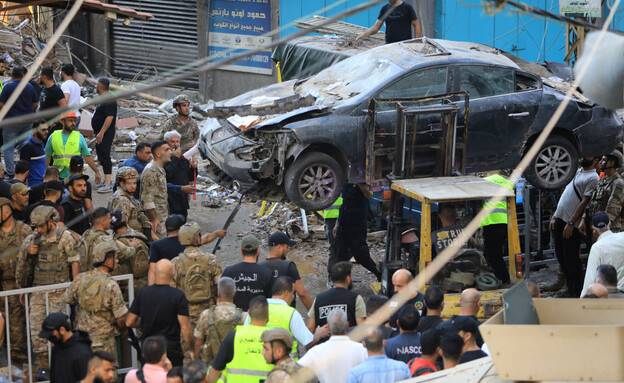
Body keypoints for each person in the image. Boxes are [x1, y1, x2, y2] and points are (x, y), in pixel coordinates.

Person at [17, 205, 81, 372]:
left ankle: (63, 366)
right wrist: (28, 251)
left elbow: (75, 262)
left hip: (59, 290)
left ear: (50, 222)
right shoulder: (34, 238)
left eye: (41, 226)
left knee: (59, 330)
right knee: (36, 330)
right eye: (36, 226)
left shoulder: (64, 237)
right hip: (38, 290)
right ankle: (44, 366)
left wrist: (74, 288)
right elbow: (22, 263)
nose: (38, 229)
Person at [64, 240, 129, 359]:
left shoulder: (80, 278)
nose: (117, 261)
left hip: (82, 339)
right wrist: (124, 331)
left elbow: (68, 299)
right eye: (115, 258)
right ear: (108, 261)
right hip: (104, 341)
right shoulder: (111, 285)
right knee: (106, 374)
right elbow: (121, 318)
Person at [547, 157, 600, 295]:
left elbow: (584, 202)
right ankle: (570, 287)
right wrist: (555, 216)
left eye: (588, 156)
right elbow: (566, 194)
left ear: (596, 160)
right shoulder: (578, 172)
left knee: (571, 258)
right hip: (561, 218)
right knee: (561, 256)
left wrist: (571, 222)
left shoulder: (593, 177)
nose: (583, 158)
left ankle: (576, 290)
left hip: (571, 223)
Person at [126, 259, 193, 366]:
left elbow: (129, 322)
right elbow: (185, 326)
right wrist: (192, 347)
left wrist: (142, 323)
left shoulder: (142, 294)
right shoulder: (178, 295)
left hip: (149, 348)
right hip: (171, 348)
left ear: (155, 273)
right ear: (172, 274)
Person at [171, 222, 223, 359]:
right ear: (196, 238)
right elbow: (221, 286)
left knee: (189, 355)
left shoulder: (176, 262)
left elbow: (172, 291)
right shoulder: (211, 259)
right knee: (209, 354)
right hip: (208, 313)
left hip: (185, 315)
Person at [256, 276, 328, 358]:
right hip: (285, 367)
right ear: (286, 292)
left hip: (256, 364)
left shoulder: (256, 309)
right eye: (293, 292)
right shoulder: (291, 313)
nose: (293, 296)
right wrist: (318, 334)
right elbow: (308, 342)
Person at [207, 296, 273, 383]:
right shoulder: (274, 337)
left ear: (248, 313)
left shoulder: (234, 336)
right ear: (268, 315)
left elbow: (215, 370)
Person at [0, 197, 31, 363]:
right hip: (1, 284)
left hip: (16, 285)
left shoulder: (23, 230)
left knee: (16, 325)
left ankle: (18, 362)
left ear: (6, 212)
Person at [298, 310, 368, 383]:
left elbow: (296, 370)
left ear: (328, 326)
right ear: (347, 325)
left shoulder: (316, 351)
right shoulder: (362, 349)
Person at [331, 183, 382, 281]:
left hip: (357, 225)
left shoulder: (363, 180)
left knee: (361, 255)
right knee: (340, 255)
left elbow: (369, 194)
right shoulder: (346, 180)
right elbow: (344, 204)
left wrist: (359, 183)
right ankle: (344, 282)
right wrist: (337, 223)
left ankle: (378, 274)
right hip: (343, 223)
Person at [194, 277, 247, 364]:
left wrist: (197, 363)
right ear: (234, 293)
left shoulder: (206, 315)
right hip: (235, 365)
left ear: (218, 293)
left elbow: (198, 343)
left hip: (211, 365)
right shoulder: (244, 317)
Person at [308, 262, 366, 339]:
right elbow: (362, 328)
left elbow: (310, 328)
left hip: (324, 348)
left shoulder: (319, 298)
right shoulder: (356, 299)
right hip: (348, 347)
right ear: (348, 278)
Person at [0, 65, 39, 178]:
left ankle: (11, 173)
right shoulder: (29, 87)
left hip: (11, 121)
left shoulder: (7, 87)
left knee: (8, 148)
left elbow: (1, 104)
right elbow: (35, 104)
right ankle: (24, 172)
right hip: (26, 121)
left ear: (12, 75)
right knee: (25, 147)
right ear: (23, 75)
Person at [260, 231, 313, 309]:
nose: (288, 250)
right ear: (279, 247)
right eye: (287, 247)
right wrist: (315, 316)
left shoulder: (259, 267)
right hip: (287, 315)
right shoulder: (289, 266)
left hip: (265, 315)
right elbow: (302, 293)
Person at [45, 111, 101, 183]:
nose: (73, 123)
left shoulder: (79, 137)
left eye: (74, 121)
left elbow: (87, 156)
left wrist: (96, 171)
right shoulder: (53, 136)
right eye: (70, 121)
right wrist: (45, 173)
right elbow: (47, 156)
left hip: (75, 175)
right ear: (62, 121)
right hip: (58, 176)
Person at [222, 235, 273, 311]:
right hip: (257, 320)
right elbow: (272, 300)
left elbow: (221, 298)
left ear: (241, 251)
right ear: (258, 251)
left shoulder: (228, 272)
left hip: (234, 320)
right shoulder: (267, 274)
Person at [38, 312, 92, 383]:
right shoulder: (56, 349)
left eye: (51, 333)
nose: (49, 338)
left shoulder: (82, 352)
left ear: (62, 330)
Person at [480, 173, 514, 285]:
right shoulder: (507, 182)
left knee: (493, 255)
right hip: (504, 222)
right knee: (497, 253)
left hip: (491, 222)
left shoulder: (484, 181)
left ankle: (503, 279)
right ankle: (502, 277)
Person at [81, 207, 138, 273]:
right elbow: (127, 252)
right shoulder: (106, 240)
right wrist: (133, 247)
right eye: (109, 218)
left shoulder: (86, 234)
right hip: (99, 278)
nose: (110, 221)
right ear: (103, 221)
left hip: (86, 275)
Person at [580, 212, 624, 296]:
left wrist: (582, 303)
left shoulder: (597, 248)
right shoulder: (623, 236)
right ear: (609, 224)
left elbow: (590, 280)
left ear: (593, 228)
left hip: (613, 296)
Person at [581, 151, 624, 233]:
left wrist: (601, 228)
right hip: (596, 227)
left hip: (609, 230)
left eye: (604, 160)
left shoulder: (618, 183)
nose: (600, 162)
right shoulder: (602, 181)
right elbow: (591, 202)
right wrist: (583, 219)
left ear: (611, 163)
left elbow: (612, 209)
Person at [111, 209, 150, 291]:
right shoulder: (139, 236)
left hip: (125, 287)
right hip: (144, 283)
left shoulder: (113, 242)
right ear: (126, 222)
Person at [109, 166, 153, 239]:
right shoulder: (123, 200)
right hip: (130, 239)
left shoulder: (128, 196)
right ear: (122, 183)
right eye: (129, 183)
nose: (133, 187)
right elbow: (121, 227)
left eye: (134, 183)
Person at [141, 140, 172, 239]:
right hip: (156, 218)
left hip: (162, 215)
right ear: (158, 154)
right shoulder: (151, 171)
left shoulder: (160, 169)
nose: (170, 152)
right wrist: (154, 219)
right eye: (167, 150)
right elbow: (147, 199)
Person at [92, 77, 117, 193]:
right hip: (100, 133)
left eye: (97, 85)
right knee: (101, 155)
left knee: (105, 155)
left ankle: (108, 183)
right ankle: (105, 181)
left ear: (100, 87)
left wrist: (101, 133)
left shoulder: (109, 99)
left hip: (105, 133)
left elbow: (109, 117)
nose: (95, 87)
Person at [164, 130, 195, 217]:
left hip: (182, 198)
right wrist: (175, 158)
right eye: (172, 142)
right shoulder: (164, 159)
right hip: (169, 199)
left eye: (177, 141)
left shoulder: (183, 158)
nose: (175, 144)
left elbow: (190, 178)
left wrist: (193, 167)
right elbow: (168, 175)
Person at [148, 214, 187, 285]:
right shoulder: (186, 243)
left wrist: (151, 290)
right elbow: (205, 239)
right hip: (183, 282)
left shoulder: (156, 245)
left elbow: (152, 270)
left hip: (164, 283)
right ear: (180, 228)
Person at [38, 67, 67, 133]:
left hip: (53, 128)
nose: (39, 77)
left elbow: (65, 107)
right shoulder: (45, 89)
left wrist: (55, 121)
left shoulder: (56, 90)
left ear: (44, 77)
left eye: (40, 75)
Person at [20, 121, 48, 186]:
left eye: (47, 129)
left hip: (42, 183)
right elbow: (23, 169)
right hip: (33, 186)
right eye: (43, 130)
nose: (46, 132)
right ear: (35, 130)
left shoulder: (41, 143)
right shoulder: (27, 146)